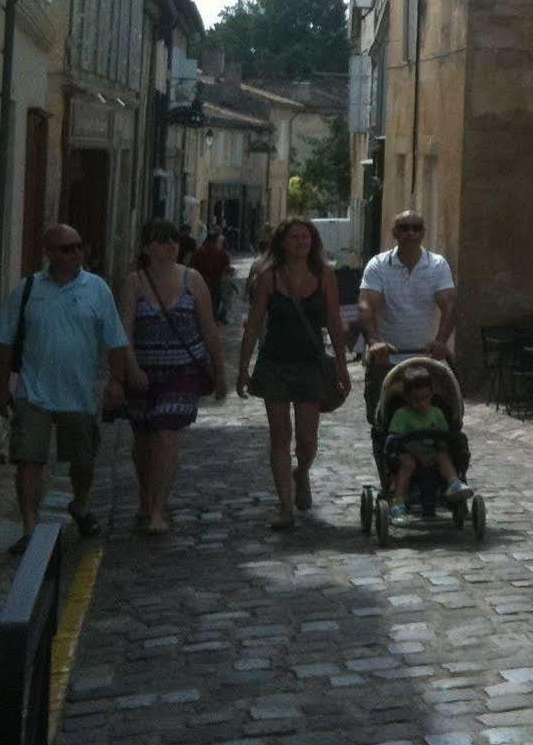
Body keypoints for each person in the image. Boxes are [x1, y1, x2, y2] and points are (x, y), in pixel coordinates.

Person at [0, 225, 142, 555]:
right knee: (28, 459)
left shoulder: (97, 289)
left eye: (78, 247)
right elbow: (3, 342)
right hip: (34, 392)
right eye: (66, 249)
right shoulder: (28, 290)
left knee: (83, 460)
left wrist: (117, 382)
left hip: (78, 393)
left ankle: (81, 505)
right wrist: (0, 388)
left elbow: (115, 341)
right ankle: (30, 526)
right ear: (50, 253)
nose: (76, 254)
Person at [237, 218, 352, 528]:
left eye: (306, 237)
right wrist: (243, 367)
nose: (301, 242)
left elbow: (334, 321)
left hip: (310, 364)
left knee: (307, 439)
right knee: (279, 436)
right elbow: (254, 324)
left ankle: (301, 473)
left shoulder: (324, 274)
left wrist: (341, 365)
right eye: (294, 237)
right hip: (275, 362)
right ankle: (285, 506)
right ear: (282, 242)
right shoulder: (269, 277)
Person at [116, 220, 227, 536]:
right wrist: (131, 368)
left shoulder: (193, 280)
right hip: (143, 373)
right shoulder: (134, 283)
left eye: (173, 242)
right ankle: (145, 495)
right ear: (146, 247)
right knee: (143, 441)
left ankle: (157, 507)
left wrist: (220, 372)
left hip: (182, 372)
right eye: (161, 242)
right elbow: (124, 329)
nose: (168, 248)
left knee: (166, 435)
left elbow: (208, 328)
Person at [359, 210, 458, 425]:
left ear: (423, 233)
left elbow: (449, 304)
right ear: (394, 232)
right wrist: (375, 342)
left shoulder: (437, 265)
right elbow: (367, 305)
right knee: (381, 423)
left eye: (416, 228)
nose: (410, 233)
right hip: (387, 359)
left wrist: (441, 341)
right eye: (404, 228)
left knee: (441, 420)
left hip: (426, 360)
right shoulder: (378, 266)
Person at [384, 367, 471, 518]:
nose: (422, 403)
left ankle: (453, 483)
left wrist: (442, 445)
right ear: (407, 398)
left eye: (426, 398)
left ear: (432, 394)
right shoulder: (402, 415)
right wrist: (415, 451)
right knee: (407, 464)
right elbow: (395, 440)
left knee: (443, 455)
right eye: (416, 399)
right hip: (409, 452)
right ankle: (398, 502)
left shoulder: (436, 413)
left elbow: (446, 436)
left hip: (432, 452)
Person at [190, 230, 234, 323]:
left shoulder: (199, 251)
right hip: (215, 283)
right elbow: (226, 269)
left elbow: (192, 266)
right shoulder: (222, 253)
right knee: (214, 303)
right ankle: (212, 321)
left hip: (200, 282)